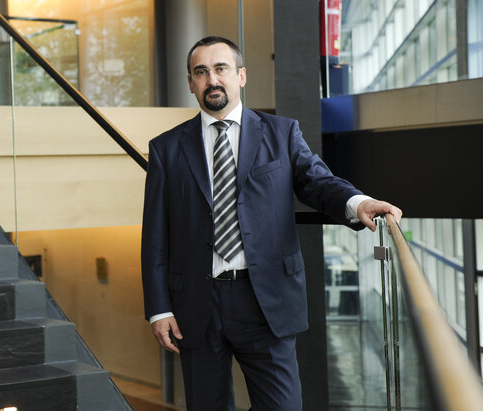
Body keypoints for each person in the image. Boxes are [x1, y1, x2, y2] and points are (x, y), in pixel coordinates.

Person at [141, 36, 402, 411]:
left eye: (221, 69)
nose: (212, 79)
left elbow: (317, 181)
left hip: (266, 302)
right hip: (196, 306)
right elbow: (155, 235)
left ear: (241, 76)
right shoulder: (166, 148)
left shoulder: (281, 132)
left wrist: (357, 202)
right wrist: (159, 308)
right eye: (201, 72)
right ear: (190, 83)